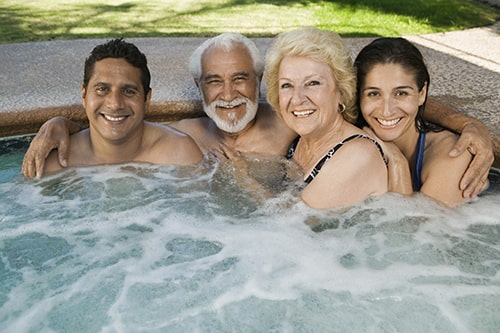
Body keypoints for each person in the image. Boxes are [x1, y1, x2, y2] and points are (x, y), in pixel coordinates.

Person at [22, 33, 493, 199]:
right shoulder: (192, 135)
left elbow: (387, 97)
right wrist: (58, 124)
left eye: (240, 79)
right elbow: (122, 125)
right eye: (213, 82)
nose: (228, 95)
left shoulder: (309, 122)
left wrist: (473, 126)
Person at [265, 27, 388, 209]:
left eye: (313, 83)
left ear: (340, 91)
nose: (297, 98)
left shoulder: (358, 156)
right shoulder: (300, 140)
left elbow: (287, 225)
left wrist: (243, 179)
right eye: (287, 85)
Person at [41, 38, 202, 175]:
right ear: (84, 95)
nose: (115, 104)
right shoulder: (55, 163)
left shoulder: (180, 154)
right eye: (102, 89)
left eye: (129, 91)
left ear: (147, 99)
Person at [354, 37, 485, 207]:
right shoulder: (354, 138)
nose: (387, 111)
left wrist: (397, 161)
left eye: (401, 93)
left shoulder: (452, 156)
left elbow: (412, 230)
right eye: (373, 94)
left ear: (422, 94)